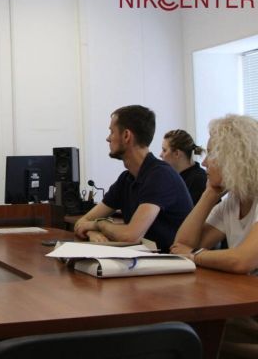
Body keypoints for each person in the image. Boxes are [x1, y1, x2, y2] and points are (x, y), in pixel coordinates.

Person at [170, 115, 258, 359]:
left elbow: (242, 260)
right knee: (189, 328)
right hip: (249, 305)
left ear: (234, 158)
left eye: (211, 154)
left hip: (252, 310)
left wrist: (194, 256)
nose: (205, 162)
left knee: (191, 332)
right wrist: (209, 195)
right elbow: (182, 244)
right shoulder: (233, 201)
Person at [74, 105, 193, 252]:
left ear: (126, 136)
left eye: (111, 132)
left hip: (171, 262)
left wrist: (99, 224)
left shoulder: (160, 176)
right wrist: (92, 232)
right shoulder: (126, 179)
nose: (108, 138)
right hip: (145, 260)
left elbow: (130, 236)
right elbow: (82, 222)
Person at [160, 129, 207, 204]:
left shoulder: (200, 181)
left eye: (164, 150)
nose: (160, 155)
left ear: (177, 153)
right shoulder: (174, 178)